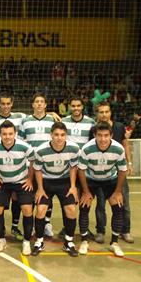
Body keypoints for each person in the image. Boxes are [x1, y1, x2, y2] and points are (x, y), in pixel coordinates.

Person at [78, 122, 127, 257]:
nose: (103, 139)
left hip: (110, 180)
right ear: (94, 135)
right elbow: (81, 170)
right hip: (91, 179)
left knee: (118, 207)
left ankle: (114, 243)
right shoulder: (87, 148)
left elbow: (123, 171)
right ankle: (84, 241)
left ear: (111, 135)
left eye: (106, 136)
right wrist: (86, 192)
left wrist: (117, 192)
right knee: (84, 206)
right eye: (99, 135)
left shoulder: (118, 149)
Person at [0, 120, 35, 255]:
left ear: (15, 133)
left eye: (10, 134)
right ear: (0, 134)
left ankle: (26, 241)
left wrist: (30, 179)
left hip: (21, 182)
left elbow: (33, 160)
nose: (7, 137)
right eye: (4, 134)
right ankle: (1, 239)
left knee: (27, 209)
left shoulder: (24, 146)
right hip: (3, 182)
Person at [32, 122, 80, 257]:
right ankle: (39, 242)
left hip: (64, 181)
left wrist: (72, 186)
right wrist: (40, 189)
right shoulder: (41, 150)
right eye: (56, 135)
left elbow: (73, 167)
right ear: (51, 135)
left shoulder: (74, 148)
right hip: (46, 181)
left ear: (66, 136)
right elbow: (38, 170)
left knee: (71, 209)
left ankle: (69, 242)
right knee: (41, 210)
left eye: (62, 135)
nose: (59, 138)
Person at [90, 101, 134, 244]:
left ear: (110, 112)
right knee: (101, 204)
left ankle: (125, 231)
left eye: (106, 111)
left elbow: (125, 144)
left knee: (123, 203)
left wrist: (129, 163)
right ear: (97, 114)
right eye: (101, 112)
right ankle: (100, 231)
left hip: (118, 172)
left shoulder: (119, 127)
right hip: (101, 174)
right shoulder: (93, 129)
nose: (104, 114)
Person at [0, 92, 28, 240]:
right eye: (2, 103)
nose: (5, 106)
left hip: (17, 162)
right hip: (0, 165)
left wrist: (51, 112)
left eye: (8, 103)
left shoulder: (20, 117)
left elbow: (38, 113)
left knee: (17, 198)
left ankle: (15, 226)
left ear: (12, 104)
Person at [18, 92, 55, 237]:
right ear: (32, 105)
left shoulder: (52, 120)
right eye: (37, 102)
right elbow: (20, 141)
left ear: (45, 105)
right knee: (31, 196)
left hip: (47, 165)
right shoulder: (25, 121)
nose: (39, 104)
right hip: (31, 165)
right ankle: (33, 224)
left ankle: (46, 223)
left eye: (42, 101)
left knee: (47, 196)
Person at [58, 97, 95, 238]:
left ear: (82, 106)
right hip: (69, 168)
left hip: (85, 167)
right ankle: (66, 227)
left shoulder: (91, 122)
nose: (76, 108)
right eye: (73, 106)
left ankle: (84, 228)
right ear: (69, 107)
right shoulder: (64, 122)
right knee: (69, 199)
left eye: (78, 105)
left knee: (85, 198)